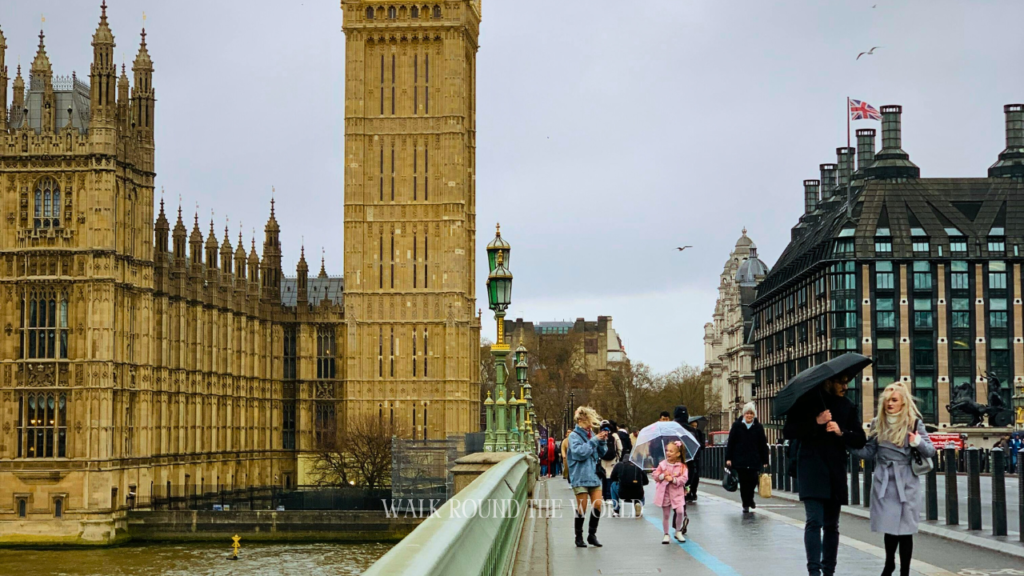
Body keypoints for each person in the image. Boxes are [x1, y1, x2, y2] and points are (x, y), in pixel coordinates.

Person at [783, 374, 867, 576]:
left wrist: (841, 432)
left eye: (847, 383)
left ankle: (829, 570)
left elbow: (860, 439)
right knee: (814, 521)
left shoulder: (847, 406)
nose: (845, 387)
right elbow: (789, 431)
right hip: (811, 468)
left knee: (832, 525)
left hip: (835, 470)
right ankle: (814, 571)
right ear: (828, 382)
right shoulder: (807, 402)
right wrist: (816, 421)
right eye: (841, 382)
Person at [854, 383, 935, 576]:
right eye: (887, 400)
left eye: (894, 400)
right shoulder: (877, 423)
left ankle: (905, 571)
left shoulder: (914, 423)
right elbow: (868, 452)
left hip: (906, 480)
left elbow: (930, 451)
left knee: (905, 529)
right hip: (884, 480)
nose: (890, 404)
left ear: (903, 402)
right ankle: (889, 563)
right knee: (889, 527)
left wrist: (917, 441)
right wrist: (845, 442)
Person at [567, 406, 608, 548]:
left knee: (597, 504)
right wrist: (594, 441)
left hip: (594, 475)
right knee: (582, 507)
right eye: (588, 421)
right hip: (579, 475)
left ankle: (592, 535)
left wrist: (602, 441)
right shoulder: (573, 436)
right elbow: (579, 453)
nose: (590, 425)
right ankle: (579, 536)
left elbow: (603, 453)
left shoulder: (592, 435)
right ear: (580, 421)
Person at [726, 402, 770, 514]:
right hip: (740, 459)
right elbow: (730, 443)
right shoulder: (737, 426)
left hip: (754, 459)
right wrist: (728, 458)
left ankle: (750, 498)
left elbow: (763, 444)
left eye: (751, 413)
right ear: (744, 414)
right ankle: (746, 503)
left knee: (753, 480)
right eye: (747, 413)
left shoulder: (758, 427)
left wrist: (765, 460)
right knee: (744, 482)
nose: (749, 416)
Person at [654, 440, 688, 544]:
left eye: (671, 451)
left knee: (680, 511)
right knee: (666, 515)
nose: (668, 453)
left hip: (677, 493)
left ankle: (678, 531)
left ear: (678, 454)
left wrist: (673, 480)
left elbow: (684, 479)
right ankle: (666, 534)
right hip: (665, 493)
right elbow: (655, 476)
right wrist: (662, 476)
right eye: (667, 450)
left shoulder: (682, 467)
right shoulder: (662, 465)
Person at [674, 405, 705, 503]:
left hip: (676, 459)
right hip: (690, 459)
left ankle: (676, 493)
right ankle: (686, 492)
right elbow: (697, 446)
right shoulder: (692, 431)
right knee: (689, 477)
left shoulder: (672, 429)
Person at [598, 420, 623, 515]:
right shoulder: (615, 436)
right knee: (611, 478)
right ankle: (611, 497)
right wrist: (618, 457)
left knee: (604, 478)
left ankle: (604, 496)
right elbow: (620, 448)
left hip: (603, 459)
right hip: (612, 460)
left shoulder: (600, 435)